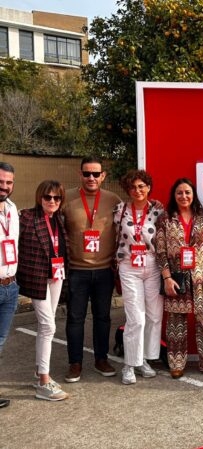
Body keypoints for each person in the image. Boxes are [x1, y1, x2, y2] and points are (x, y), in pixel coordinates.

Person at [63, 156, 121, 382]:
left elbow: (133, 215)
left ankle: (101, 359)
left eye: (96, 174)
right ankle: (75, 363)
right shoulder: (66, 197)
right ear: (80, 175)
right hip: (76, 271)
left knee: (103, 318)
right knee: (75, 319)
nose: (91, 178)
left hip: (105, 270)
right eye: (87, 173)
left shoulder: (113, 200)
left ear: (103, 176)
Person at [156, 178, 203, 378]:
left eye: (187, 192)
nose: (184, 196)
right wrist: (166, 278)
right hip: (176, 277)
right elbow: (161, 251)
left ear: (194, 195)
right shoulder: (165, 219)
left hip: (202, 277)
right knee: (176, 323)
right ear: (174, 195)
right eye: (180, 193)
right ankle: (176, 364)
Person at [18, 180, 69, 401]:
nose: (52, 201)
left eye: (56, 198)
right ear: (40, 197)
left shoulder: (59, 219)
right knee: (49, 325)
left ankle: (40, 372)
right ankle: (44, 382)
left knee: (44, 326)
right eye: (47, 197)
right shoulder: (26, 217)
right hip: (36, 278)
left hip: (56, 276)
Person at [114, 170, 164, 385]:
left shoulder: (158, 210)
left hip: (152, 264)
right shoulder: (120, 209)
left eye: (142, 186)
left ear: (149, 187)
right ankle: (129, 365)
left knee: (154, 316)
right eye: (133, 187)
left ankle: (143, 359)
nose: (138, 190)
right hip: (128, 264)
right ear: (128, 190)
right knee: (136, 318)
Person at [0, 162, 19, 409]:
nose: (4, 186)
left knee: (0, 341)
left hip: (10, 286)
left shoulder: (13, 210)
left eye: (8, 182)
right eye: (1, 181)